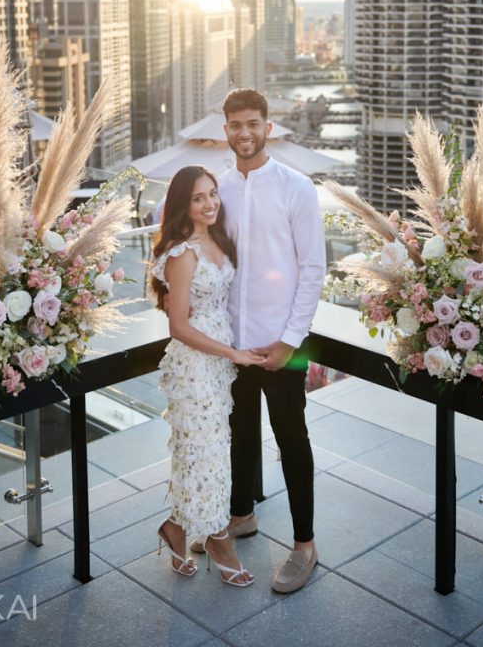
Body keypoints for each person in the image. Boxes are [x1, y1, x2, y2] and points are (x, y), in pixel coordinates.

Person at [191, 88, 326, 594]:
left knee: (293, 439)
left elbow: (313, 269)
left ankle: (305, 545)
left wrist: (291, 341)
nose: (243, 132)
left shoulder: (297, 187)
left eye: (252, 123)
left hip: (283, 343)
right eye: (234, 124)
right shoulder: (217, 189)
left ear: (269, 127)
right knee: (240, 432)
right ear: (224, 130)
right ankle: (241, 515)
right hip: (233, 341)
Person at [150, 165, 265, 587]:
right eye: (198, 197)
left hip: (220, 366)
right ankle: (218, 540)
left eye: (213, 194)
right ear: (183, 204)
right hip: (195, 367)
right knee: (205, 455)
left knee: (205, 454)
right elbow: (178, 326)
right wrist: (233, 352)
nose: (210, 203)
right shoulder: (183, 255)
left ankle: (177, 530)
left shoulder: (218, 239)